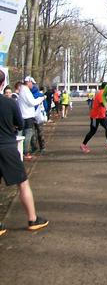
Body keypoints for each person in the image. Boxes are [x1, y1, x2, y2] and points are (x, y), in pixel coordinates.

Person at [0, 70, 49, 236]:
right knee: (22, 183)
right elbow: (20, 124)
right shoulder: (9, 103)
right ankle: (32, 219)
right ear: (2, 83)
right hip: (7, 147)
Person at [16, 77, 45, 161]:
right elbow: (32, 102)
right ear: (28, 82)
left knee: (21, 134)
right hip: (27, 116)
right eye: (32, 83)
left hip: (23, 115)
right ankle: (25, 152)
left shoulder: (22, 90)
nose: (33, 85)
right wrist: (42, 98)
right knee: (28, 134)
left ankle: (20, 151)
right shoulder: (26, 90)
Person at [81, 83, 107, 153]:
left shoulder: (104, 93)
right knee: (92, 131)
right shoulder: (101, 93)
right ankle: (83, 144)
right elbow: (102, 103)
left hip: (102, 116)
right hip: (95, 117)